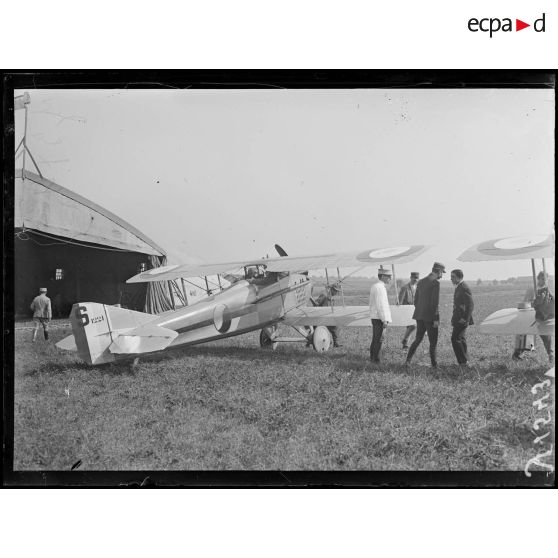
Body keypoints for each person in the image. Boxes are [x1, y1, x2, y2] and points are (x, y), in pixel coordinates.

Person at [405, 262, 445, 368]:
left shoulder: (421, 281)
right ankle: (434, 365)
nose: (442, 275)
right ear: (439, 271)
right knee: (433, 342)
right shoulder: (436, 283)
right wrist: (436, 318)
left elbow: (416, 300)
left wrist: (420, 310)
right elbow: (434, 303)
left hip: (419, 315)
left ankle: (407, 361)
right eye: (442, 273)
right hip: (430, 317)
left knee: (418, 339)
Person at [450, 269, 474, 367]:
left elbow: (470, 304)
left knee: (455, 338)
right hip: (458, 318)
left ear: (459, 277)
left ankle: (463, 362)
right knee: (461, 338)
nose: (451, 279)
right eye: (451, 277)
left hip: (462, 319)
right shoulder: (459, 287)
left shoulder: (463, 287)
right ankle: (466, 360)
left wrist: (465, 318)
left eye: (453, 277)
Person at [369, 267, 392, 363]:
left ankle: (373, 358)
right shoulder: (379, 288)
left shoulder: (377, 286)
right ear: (382, 276)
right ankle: (376, 360)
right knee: (379, 339)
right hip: (379, 318)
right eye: (388, 276)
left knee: (376, 339)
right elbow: (380, 305)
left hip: (376, 317)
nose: (390, 278)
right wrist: (384, 319)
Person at [315, 282, 342, 347]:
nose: (336, 293)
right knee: (335, 327)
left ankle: (335, 343)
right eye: (335, 291)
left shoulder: (331, 298)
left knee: (336, 326)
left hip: (328, 317)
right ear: (332, 289)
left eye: (337, 291)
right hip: (321, 317)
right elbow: (316, 304)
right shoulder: (324, 295)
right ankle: (335, 343)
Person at [399, 271, 419, 349]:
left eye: (417, 278)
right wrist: (399, 305)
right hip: (406, 310)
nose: (415, 280)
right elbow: (400, 301)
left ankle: (405, 343)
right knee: (412, 326)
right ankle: (405, 341)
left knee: (410, 327)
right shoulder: (405, 287)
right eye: (414, 278)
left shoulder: (418, 287)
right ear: (411, 278)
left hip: (415, 310)